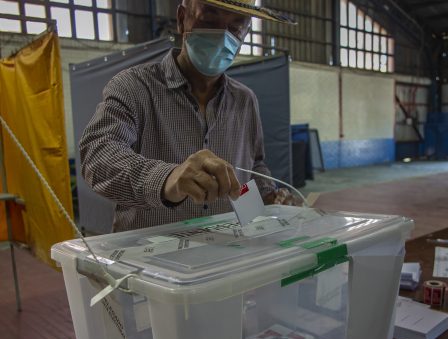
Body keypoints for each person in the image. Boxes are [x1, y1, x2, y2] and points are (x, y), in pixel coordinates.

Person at [79, 0, 296, 232]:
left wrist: (269, 197)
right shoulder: (134, 87)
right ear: (183, 19)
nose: (223, 37)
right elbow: (98, 154)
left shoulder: (245, 100)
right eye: (210, 21)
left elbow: (254, 165)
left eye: (235, 29)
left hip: (228, 250)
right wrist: (168, 178)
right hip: (152, 257)